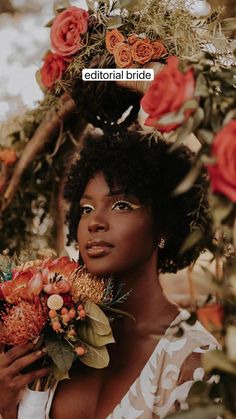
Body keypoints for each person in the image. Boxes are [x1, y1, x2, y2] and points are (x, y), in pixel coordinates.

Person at [0, 90, 218, 419]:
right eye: (86, 208)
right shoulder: (56, 333)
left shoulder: (195, 358)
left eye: (121, 205)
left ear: (165, 225)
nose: (95, 222)